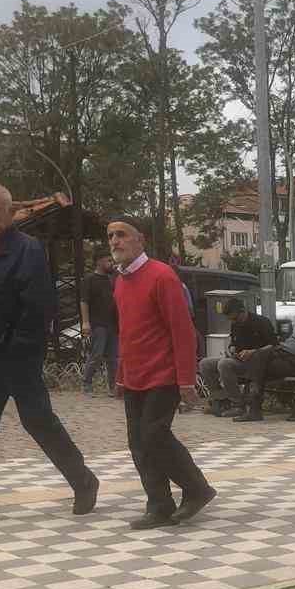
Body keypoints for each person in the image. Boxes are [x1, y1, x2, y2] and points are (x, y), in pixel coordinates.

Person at [0, 184, 98, 527]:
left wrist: (18, 351)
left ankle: (84, 481)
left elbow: (39, 308)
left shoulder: (28, 250)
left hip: (16, 359)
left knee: (39, 423)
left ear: (9, 213)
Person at [107, 213, 215, 528]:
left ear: (140, 239)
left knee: (154, 435)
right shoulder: (120, 281)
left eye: (122, 234)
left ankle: (197, 489)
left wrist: (186, 379)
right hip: (135, 376)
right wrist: (120, 375)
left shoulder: (162, 276)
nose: (115, 241)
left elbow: (182, 331)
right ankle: (159, 505)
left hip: (164, 375)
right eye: (111, 235)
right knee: (137, 442)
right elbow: (127, 333)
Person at [235, 292, 295, 422]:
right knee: (259, 362)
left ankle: (252, 408)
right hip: (285, 356)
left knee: (259, 362)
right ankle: (253, 408)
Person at [199, 297, 278, 419]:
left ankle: (238, 405)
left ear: (243, 311)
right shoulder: (235, 324)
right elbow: (233, 342)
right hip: (238, 360)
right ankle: (221, 400)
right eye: (230, 319)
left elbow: (274, 345)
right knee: (205, 363)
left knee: (224, 364)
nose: (233, 321)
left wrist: (253, 352)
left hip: (256, 362)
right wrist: (232, 348)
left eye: (235, 318)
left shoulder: (262, 322)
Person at [80, 256, 119, 396]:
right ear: (99, 261)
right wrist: (85, 322)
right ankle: (87, 383)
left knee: (113, 357)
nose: (111, 263)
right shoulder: (89, 279)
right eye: (108, 260)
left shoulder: (112, 279)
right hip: (97, 323)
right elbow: (84, 301)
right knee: (97, 354)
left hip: (113, 324)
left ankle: (113, 387)